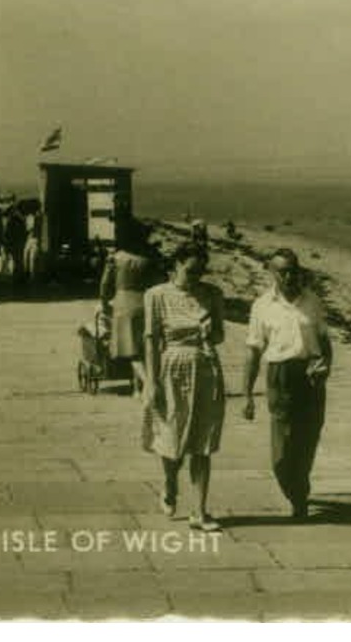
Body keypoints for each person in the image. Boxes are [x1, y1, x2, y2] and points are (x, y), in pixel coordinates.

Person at [241, 248, 333, 520]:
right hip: (281, 374)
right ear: (271, 272)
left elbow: (325, 341)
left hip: (311, 375)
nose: (290, 275)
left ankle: (300, 495)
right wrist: (247, 394)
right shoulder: (262, 306)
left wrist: (325, 366)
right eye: (283, 271)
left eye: (294, 269)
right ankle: (293, 488)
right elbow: (253, 351)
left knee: (309, 437)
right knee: (282, 449)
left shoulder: (313, 301)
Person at [142, 241, 227, 531]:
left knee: (202, 442)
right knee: (172, 440)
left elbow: (219, 337)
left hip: (206, 367)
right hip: (172, 369)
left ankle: (199, 512)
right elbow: (151, 340)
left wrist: (209, 330)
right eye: (191, 271)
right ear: (176, 265)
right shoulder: (156, 295)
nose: (196, 277)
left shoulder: (213, 294)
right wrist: (151, 381)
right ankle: (169, 484)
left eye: (201, 271)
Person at [98, 221, 161, 394]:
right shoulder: (152, 255)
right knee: (146, 347)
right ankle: (137, 387)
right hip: (148, 300)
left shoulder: (117, 258)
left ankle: (145, 383)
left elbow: (105, 284)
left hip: (124, 303)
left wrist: (104, 303)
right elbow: (161, 280)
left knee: (131, 350)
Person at [4, 206, 30, 285]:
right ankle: (19, 278)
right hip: (17, 243)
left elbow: (7, 233)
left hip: (14, 243)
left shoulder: (12, 220)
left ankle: (18, 278)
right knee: (19, 261)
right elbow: (23, 232)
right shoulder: (19, 220)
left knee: (17, 261)